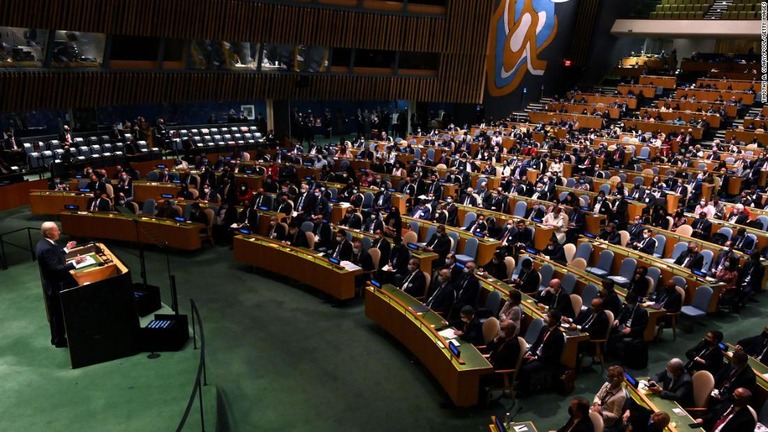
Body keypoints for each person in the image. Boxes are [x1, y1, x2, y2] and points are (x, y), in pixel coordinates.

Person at [35, 221, 87, 348]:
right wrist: (75, 263)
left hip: (53, 283)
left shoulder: (44, 243)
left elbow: (54, 257)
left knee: (56, 313)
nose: (59, 231)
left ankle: (57, 338)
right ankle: (59, 340)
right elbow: (55, 268)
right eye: (56, 229)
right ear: (49, 233)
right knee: (57, 314)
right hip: (56, 285)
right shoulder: (47, 248)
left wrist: (66, 249)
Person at [516, 309, 565, 395]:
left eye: (548, 316)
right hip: (537, 355)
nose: (546, 317)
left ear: (554, 320)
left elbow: (552, 355)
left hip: (546, 360)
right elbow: (536, 343)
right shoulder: (544, 328)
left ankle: (524, 391)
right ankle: (520, 383)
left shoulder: (558, 335)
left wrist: (536, 358)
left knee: (526, 369)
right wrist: (530, 352)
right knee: (521, 359)